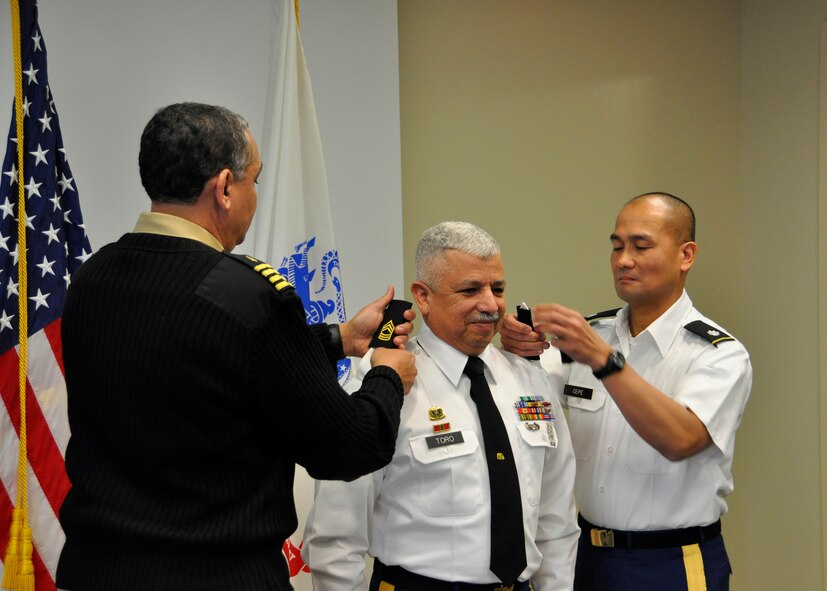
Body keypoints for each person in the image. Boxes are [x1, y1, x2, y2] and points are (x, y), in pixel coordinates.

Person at [55, 102, 417, 591]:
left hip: (96, 571)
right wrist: (388, 374)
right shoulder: (248, 293)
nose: (254, 195)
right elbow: (348, 447)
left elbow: (190, 357)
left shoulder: (93, 277)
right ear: (225, 188)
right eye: (254, 180)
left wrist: (340, 338)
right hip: (214, 576)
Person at [302, 221, 579, 591]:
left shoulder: (531, 382)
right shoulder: (383, 385)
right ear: (423, 296)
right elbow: (335, 540)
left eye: (497, 288)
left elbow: (556, 523)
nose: (490, 304)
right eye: (470, 290)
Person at [500, 192, 752, 591]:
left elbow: (681, 438)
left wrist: (605, 362)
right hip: (586, 555)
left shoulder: (717, 355)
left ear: (686, 255)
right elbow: (527, 386)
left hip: (670, 563)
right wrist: (516, 345)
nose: (623, 260)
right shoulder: (592, 334)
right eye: (617, 246)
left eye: (641, 246)